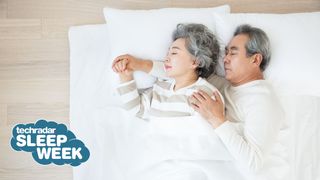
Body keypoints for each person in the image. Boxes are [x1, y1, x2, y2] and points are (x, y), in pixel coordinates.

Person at [113, 24, 288, 180]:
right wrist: (137, 65)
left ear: (255, 59)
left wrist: (218, 120)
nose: (225, 58)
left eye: (233, 53)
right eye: (225, 52)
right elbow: (181, 73)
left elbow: (253, 163)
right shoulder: (225, 84)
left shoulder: (263, 102)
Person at [112, 23, 223, 120]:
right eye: (167, 53)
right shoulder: (161, 86)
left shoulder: (204, 94)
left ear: (195, 62)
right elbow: (137, 110)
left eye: (174, 53)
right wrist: (125, 75)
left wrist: (139, 64)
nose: (166, 58)